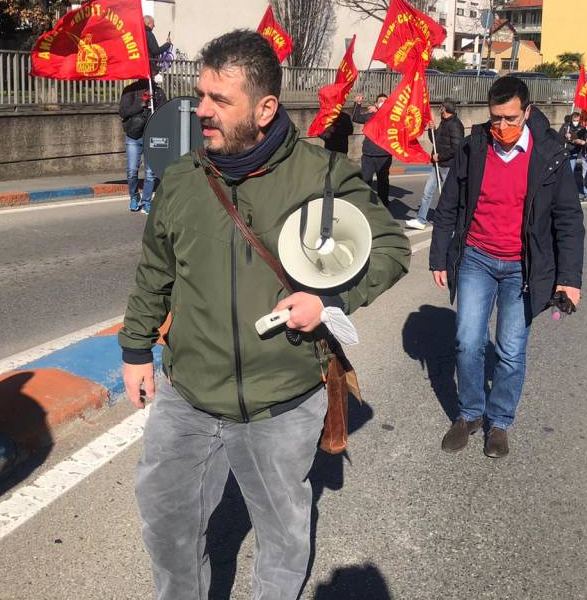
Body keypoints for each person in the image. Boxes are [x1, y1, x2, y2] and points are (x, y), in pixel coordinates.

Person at [119, 30, 411, 600]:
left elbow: (392, 249)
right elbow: (156, 268)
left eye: (219, 101)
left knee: (281, 533)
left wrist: (329, 304)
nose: (201, 111)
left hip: (281, 398)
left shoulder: (322, 176)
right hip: (190, 393)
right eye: (201, 95)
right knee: (165, 519)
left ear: (265, 107)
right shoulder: (181, 179)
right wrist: (135, 350)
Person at [429, 75, 584, 459]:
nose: (502, 128)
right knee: (468, 342)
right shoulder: (474, 147)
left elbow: (568, 220)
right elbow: (449, 205)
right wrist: (438, 256)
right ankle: (469, 414)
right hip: (477, 259)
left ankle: (499, 422)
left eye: (511, 119)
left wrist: (569, 280)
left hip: (523, 267)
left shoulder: (550, 154)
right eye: (495, 119)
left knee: (512, 351)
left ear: (527, 112)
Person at [407, 99, 465, 230]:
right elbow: (436, 140)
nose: (439, 108)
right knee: (428, 192)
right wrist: (431, 130)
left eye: (441, 107)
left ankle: (452, 220)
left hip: (448, 165)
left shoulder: (455, 125)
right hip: (439, 164)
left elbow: (457, 147)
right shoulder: (444, 122)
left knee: (448, 195)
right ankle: (421, 220)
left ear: (445, 109)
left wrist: (440, 156)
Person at [119, 80, 166, 214]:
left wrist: (154, 106)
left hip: (152, 136)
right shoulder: (130, 90)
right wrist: (141, 103)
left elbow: (165, 112)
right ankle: (134, 197)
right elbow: (123, 112)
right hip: (134, 136)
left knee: (150, 173)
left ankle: (146, 202)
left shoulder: (158, 92)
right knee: (132, 171)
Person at [351, 93, 393, 207]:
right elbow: (356, 117)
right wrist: (357, 104)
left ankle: (384, 204)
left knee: (383, 182)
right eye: (380, 100)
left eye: (385, 100)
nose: (383, 102)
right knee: (366, 180)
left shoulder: (393, 117)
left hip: (384, 155)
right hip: (368, 155)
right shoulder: (370, 115)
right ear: (376, 103)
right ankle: (365, 204)